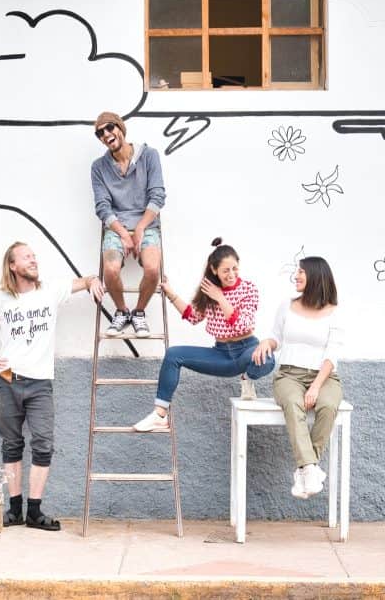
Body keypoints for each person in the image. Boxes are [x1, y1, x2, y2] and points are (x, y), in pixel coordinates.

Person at [0, 241, 103, 530]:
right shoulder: (0, 298)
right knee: (12, 445)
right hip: (7, 381)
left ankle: (34, 511)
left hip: (40, 383)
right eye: (26, 257)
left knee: (43, 445)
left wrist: (93, 282)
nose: (33, 260)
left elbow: (86, 280)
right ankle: (14, 510)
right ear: (13, 265)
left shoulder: (50, 290)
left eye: (34, 256)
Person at [132, 238, 275, 432]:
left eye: (235, 268)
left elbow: (243, 325)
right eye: (226, 270)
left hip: (246, 349)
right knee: (173, 354)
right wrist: (170, 293)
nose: (231, 274)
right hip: (221, 354)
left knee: (266, 359)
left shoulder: (248, 288)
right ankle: (159, 415)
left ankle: (247, 378)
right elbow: (193, 316)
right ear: (214, 270)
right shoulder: (209, 291)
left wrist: (220, 297)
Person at [251, 256, 343, 499]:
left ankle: (305, 468)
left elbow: (331, 355)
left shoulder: (334, 312)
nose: (296, 276)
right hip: (289, 375)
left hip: (324, 377)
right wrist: (266, 342)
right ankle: (311, 469)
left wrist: (314, 387)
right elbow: (276, 337)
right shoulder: (287, 305)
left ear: (315, 276)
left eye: (301, 272)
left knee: (328, 406)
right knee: (293, 403)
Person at [90, 111, 166, 338]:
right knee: (110, 270)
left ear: (120, 128)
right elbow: (102, 207)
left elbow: (158, 197)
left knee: (153, 270)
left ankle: (139, 313)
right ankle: (122, 312)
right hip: (117, 226)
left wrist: (140, 228)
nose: (106, 134)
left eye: (109, 128)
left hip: (147, 224)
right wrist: (124, 234)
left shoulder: (149, 156)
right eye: (100, 132)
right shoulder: (99, 167)